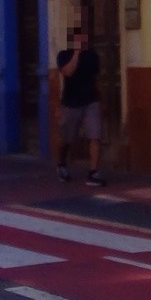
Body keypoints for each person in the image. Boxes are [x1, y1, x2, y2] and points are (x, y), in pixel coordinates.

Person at [55, 26, 105, 187]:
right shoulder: (63, 55)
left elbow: (96, 78)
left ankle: (93, 172)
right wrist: (76, 53)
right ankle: (61, 163)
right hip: (71, 102)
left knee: (95, 135)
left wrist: (100, 100)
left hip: (91, 101)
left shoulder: (92, 56)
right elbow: (68, 72)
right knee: (66, 138)